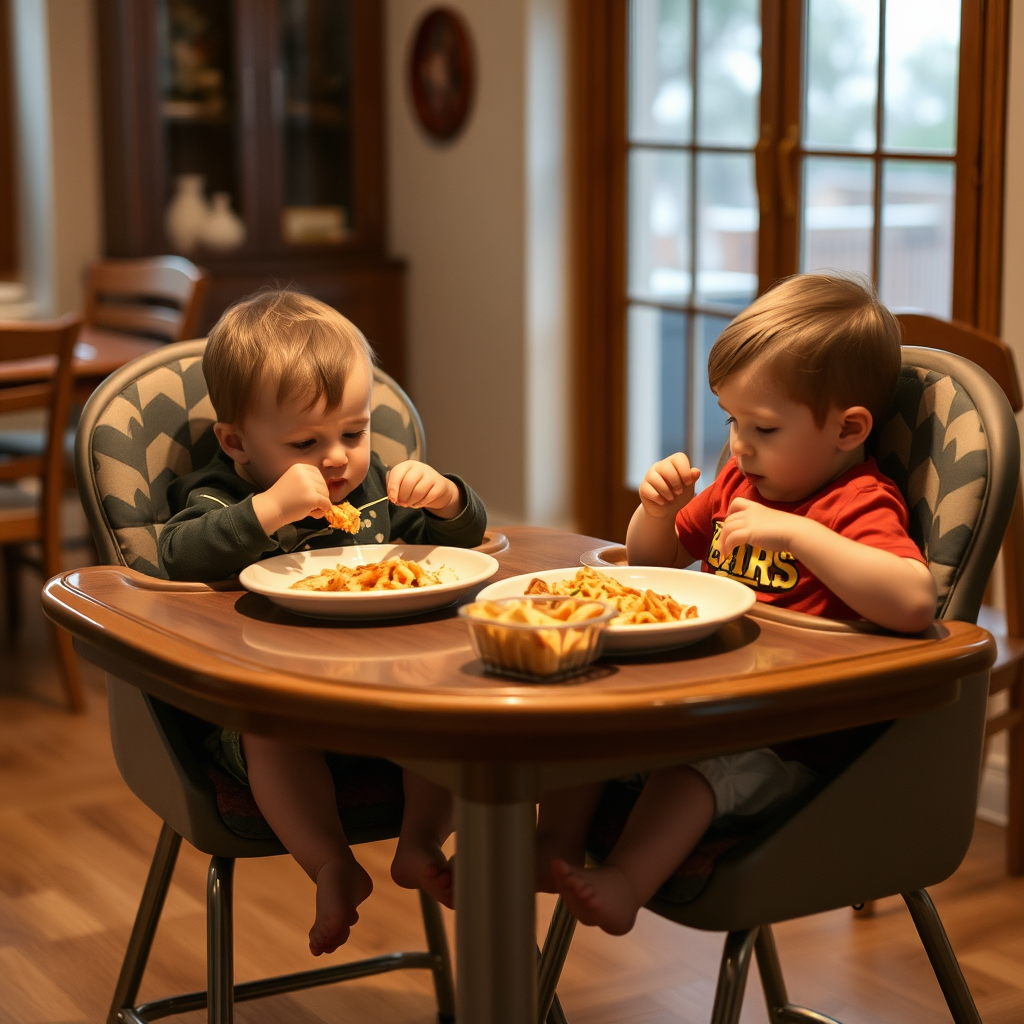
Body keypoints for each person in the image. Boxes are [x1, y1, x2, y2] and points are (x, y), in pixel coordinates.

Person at [536, 273, 937, 936]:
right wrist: (655, 512)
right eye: (732, 420)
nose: (739, 444)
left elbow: (913, 602)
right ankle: (548, 848)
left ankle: (627, 881)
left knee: (695, 774)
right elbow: (652, 564)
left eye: (764, 427)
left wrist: (801, 535)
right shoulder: (737, 481)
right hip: (709, 706)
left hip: (786, 741)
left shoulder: (857, 503)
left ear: (848, 428)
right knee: (583, 725)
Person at [159, 289, 487, 954]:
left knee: (455, 724)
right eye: (306, 442)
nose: (337, 459)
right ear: (237, 442)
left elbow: (467, 534)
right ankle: (331, 865)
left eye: (354, 433)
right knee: (272, 735)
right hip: (278, 703)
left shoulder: (373, 492)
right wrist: (267, 509)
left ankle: (420, 839)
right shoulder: (225, 494)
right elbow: (177, 554)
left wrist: (447, 497)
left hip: (391, 697)